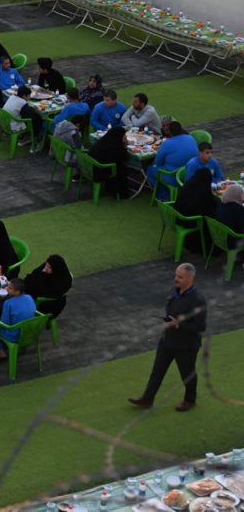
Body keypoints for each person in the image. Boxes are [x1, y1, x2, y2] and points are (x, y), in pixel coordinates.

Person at [129, 264, 206, 412]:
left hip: (186, 345)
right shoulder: (175, 291)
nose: (176, 279)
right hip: (167, 341)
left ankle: (190, 400)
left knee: (187, 374)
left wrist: (179, 324)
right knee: (157, 371)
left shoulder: (197, 300)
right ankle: (148, 398)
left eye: (180, 277)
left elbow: (200, 326)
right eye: (176, 275)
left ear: (190, 278)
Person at [0, 278, 36, 359]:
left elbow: (4, 323)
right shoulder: (29, 297)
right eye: (8, 286)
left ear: (17, 291)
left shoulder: (8, 303)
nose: (7, 288)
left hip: (14, 335)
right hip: (29, 331)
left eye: (10, 288)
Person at [147, 121, 199, 192]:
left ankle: (163, 195)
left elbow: (158, 162)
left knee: (150, 169)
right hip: (193, 173)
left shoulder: (166, 144)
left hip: (174, 176)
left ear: (170, 132)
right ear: (181, 129)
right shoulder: (191, 138)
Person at [175, 168, 217, 253]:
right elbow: (210, 208)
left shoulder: (189, 183)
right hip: (191, 221)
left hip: (179, 217)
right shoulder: (203, 189)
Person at [88, 126, 129, 199]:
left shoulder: (104, 141)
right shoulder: (115, 148)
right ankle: (121, 192)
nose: (125, 137)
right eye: (124, 135)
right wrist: (125, 145)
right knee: (122, 167)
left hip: (90, 168)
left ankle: (111, 187)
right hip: (100, 171)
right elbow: (124, 158)